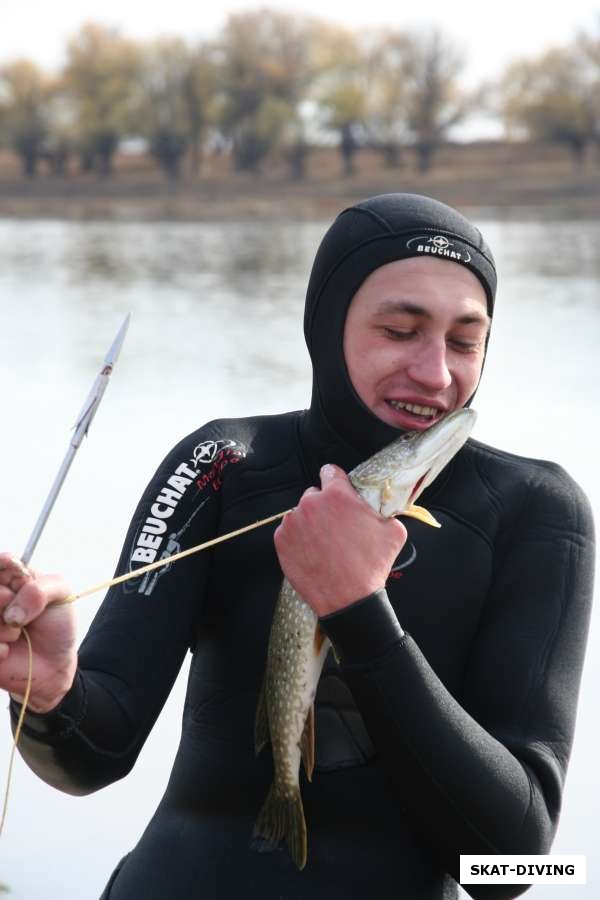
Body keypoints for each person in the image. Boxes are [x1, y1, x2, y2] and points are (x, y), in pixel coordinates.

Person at [0, 193, 594, 900]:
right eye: (401, 330)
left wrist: (359, 611)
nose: (436, 374)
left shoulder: (537, 510)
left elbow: (514, 864)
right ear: (326, 327)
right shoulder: (222, 462)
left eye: (465, 342)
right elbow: (91, 761)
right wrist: (51, 689)